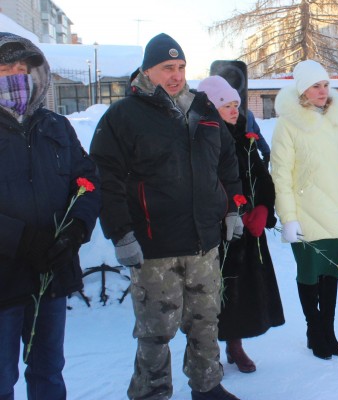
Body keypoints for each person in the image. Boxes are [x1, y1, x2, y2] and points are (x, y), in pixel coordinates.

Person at [90, 33, 242, 400]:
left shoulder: (203, 110)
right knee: (156, 330)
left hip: (203, 241)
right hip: (153, 245)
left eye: (181, 67)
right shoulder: (123, 116)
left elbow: (227, 162)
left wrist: (234, 208)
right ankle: (151, 392)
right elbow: (104, 178)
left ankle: (208, 385)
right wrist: (121, 234)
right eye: (166, 68)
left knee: (206, 322)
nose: (176, 75)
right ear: (147, 71)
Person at [0, 33, 101, 400]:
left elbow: (88, 180)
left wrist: (76, 229)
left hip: (51, 274)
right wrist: (22, 239)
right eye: (6, 67)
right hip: (4, 280)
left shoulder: (56, 126)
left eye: (23, 67)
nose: (16, 74)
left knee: (48, 371)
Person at [270, 60, 338, 360]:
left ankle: (328, 329)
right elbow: (281, 174)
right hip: (307, 214)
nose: (323, 91)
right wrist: (288, 217)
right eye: (316, 85)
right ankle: (315, 329)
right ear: (302, 89)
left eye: (325, 84)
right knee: (310, 274)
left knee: (331, 274)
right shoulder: (288, 123)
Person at [197, 76, 285, 373]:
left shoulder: (244, 140)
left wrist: (262, 208)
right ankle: (206, 353)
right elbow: (204, 186)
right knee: (215, 293)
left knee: (241, 292)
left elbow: (262, 177)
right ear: (210, 107)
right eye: (227, 105)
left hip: (248, 231)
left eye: (236, 104)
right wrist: (232, 211)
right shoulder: (199, 140)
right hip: (217, 232)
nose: (235, 110)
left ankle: (235, 345)